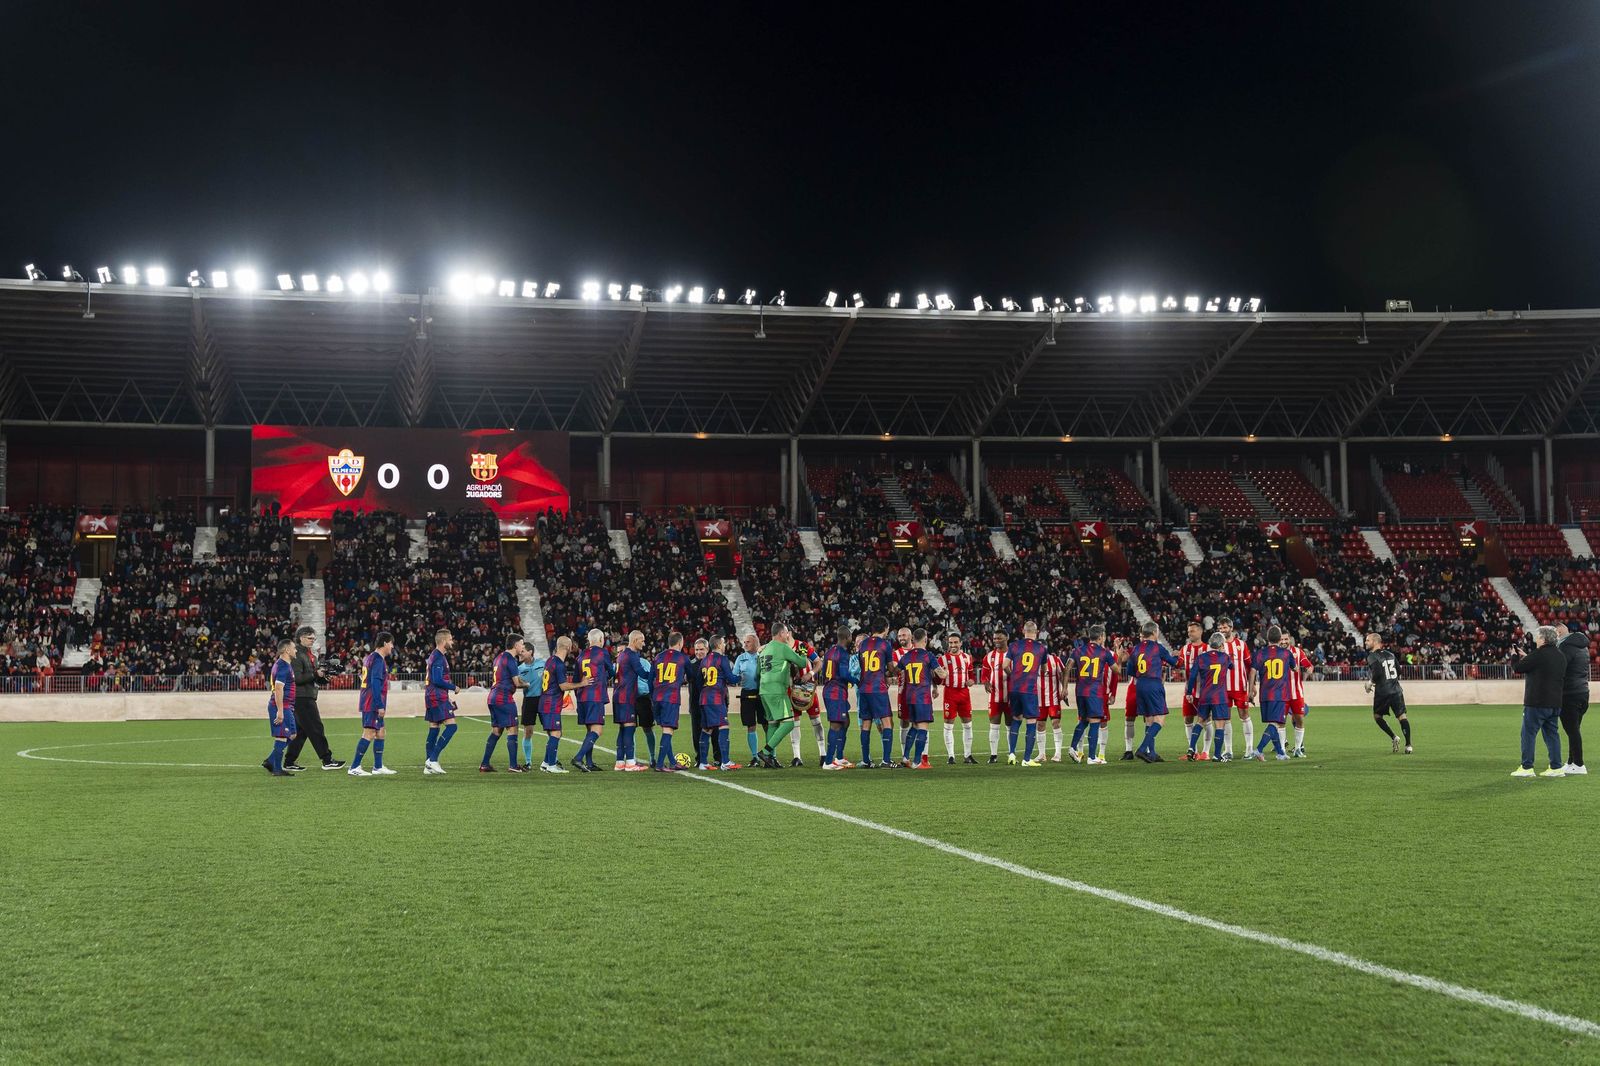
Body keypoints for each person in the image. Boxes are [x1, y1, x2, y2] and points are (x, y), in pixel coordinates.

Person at [1510, 626, 1567, 778]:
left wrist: (1514, 656)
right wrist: (1527, 656)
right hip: (1555, 702)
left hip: (1536, 702)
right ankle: (1556, 767)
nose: (1536, 639)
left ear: (1543, 638)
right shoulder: (1560, 656)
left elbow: (1518, 668)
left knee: (1528, 734)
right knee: (1552, 735)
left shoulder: (1538, 654)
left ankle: (1527, 767)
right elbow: (1543, 667)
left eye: (1538, 636)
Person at [283, 625, 341, 771]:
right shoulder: (296, 655)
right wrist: (316, 675)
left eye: (314, 639)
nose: (312, 641)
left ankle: (289, 762)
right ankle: (327, 760)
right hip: (302, 698)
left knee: (301, 733)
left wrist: (325, 678)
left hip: (306, 696)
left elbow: (314, 678)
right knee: (316, 728)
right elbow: (296, 678)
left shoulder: (310, 655)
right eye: (310, 638)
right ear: (301, 637)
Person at [755, 623, 813, 769]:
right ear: (781, 633)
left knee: (773, 723)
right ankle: (765, 751)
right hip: (777, 690)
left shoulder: (764, 649)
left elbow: (757, 673)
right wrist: (803, 652)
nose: (788, 636)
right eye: (787, 633)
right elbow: (801, 662)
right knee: (789, 723)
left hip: (764, 690)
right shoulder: (783, 648)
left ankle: (770, 759)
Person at [1123, 621, 1178, 763]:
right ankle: (1142, 749)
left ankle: (1152, 753)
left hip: (1140, 685)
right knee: (1160, 720)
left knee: (1149, 719)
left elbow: (1129, 671)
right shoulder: (1157, 648)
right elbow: (1174, 663)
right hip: (1153, 683)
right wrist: (1178, 655)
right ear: (1154, 632)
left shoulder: (1135, 649)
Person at [535, 636, 590, 774]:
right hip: (551, 703)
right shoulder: (559, 664)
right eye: (571, 645)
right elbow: (563, 686)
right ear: (567, 647)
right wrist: (581, 684)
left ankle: (546, 762)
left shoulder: (550, 660)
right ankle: (552, 765)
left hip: (544, 702)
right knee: (556, 733)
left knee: (555, 733)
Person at [896, 627, 946, 770]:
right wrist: (946, 672)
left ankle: (905, 757)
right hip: (922, 697)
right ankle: (917, 762)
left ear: (913, 640)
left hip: (909, 697)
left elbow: (896, 671)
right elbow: (941, 675)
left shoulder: (906, 657)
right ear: (925, 639)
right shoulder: (928, 656)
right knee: (923, 728)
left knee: (914, 726)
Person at [348, 631, 396, 776]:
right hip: (372, 702)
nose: (392, 647)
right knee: (369, 733)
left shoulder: (372, 658)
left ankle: (378, 766)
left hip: (371, 700)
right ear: (385, 643)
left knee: (381, 732)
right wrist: (379, 704)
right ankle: (354, 767)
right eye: (391, 643)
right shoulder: (377, 660)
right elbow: (375, 683)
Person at [1068, 625, 1117, 765]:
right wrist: (1119, 659)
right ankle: (1092, 757)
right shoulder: (1104, 652)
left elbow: (1067, 668)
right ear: (1101, 637)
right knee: (1095, 722)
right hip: (1094, 691)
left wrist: (1064, 688)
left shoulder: (1078, 650)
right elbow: (1117, 670)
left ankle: (1072, 747)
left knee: (1083, 720)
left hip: (1080, 691)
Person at [1003, 621, 1048, 766]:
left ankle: (1011, 754)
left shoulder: (1014, 646)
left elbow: (1004, 665)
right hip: (1029, 689)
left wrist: (1013, 676)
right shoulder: (1041, 648)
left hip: (1015, 688)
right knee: (1031, 722)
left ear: (1023, 631)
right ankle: (1027, 759)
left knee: (1016, 719)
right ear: (1037, 632)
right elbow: (1044, 669)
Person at [1247, 626, 1294, 761]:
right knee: (1275, 724)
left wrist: (1250, 691)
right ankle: (1259, 749)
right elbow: (1295, 668)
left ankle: (1280, 753)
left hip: (1265, 694)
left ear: (1267, 638)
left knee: (1275, 723)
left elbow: (1252, 672)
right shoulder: (1286, 653)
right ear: (1280, 638)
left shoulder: (1260, 653)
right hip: (1279, 694)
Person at [650, 632, 694, 771]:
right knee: (668, 730)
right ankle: (660, 764)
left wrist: (653, 696)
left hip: (657, 697)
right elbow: (692, 676)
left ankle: (673, 762)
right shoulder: (683, 658)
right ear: (680, 643)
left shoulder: (658, 657)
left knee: (664, 729)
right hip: (671, 697)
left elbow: (651, 678)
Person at [482, 636, 526, 773]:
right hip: (504, 698)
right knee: (513, 729)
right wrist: (527, 684)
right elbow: (517, 683)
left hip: (493, 697)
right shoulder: (510, 659)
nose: (523, 647)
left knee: (496, 731)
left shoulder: (499, 657)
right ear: (515, 645)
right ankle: (513, 765)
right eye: (522, 644)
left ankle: (484, 764)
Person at [856, 619, 896, 768]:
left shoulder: (863, 644)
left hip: (864, 688)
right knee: (887, 722)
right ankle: (886, 760)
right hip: (878, 688)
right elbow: (891, 668)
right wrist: (896, 671)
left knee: (866, 724)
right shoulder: (885, 644)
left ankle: (866, 760)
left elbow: (862, 666)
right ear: (885, 629)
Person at [1185, 633, 1232, 762]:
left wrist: (1189, 693)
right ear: (1221, 644)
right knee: (1220, 725)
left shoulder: (1200, 658)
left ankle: (1191, 748)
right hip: (1219, 696)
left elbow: (1193, 677)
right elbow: (1232, 667)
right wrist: (1223, 651)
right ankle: (1217, 755)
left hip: (1205, 695)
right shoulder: (1225, 658)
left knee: (1200, 721)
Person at [696, 635, 740, 771]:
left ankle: (703, 762)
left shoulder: (704, 661)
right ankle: (725, 761)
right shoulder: (722, 659)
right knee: (723, 726)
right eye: (723, 643)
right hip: (716, 698)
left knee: (706, 729)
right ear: (719, 645)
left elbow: (698, 682)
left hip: (703, 698)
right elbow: (731, 679)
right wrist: (742, 675)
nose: (725, 644)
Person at [571, 629, 612, 773]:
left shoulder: (581, 655)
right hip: (595, 695)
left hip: (582, 696)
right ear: (600, 639)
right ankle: (578, 757)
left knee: (589, 730)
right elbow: (612, 671)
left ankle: (589, 763)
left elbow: (576, 680)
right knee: (597, 730)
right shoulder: (602, 653)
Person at [1363, 632, 1411, 754]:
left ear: (1375, 642)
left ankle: (1394, 737)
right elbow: (1399, 671)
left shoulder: (1372, 656)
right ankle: (1408, 745)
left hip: (1382, 692)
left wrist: (1370, 682)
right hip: (1396, 690)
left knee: (1377, 716)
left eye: (1368, 640)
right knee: (1402, 717)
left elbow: (1378, 672)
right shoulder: (1391, 654)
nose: (1366, 642)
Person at [818, 626, 858, 769]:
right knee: (835, 725)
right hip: (836, 692)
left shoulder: (829, 652)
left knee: (845, 722)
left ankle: (839, 757)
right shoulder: (843, 653)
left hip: (831, 689)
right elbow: (843, 674)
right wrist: (857, 680)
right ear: (848, 637)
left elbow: (823, 671)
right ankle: (828, 762)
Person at [612, 630, 651, 771]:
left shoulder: (622, 655)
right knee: (629, 728)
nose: (644, 643)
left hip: (618, 695)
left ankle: (619, 762)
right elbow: (642, 673)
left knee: (622, 729)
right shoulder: (632, 655)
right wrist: (658, 674)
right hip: (626, 696)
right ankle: (630, 762)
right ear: (635, 640)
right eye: (642, 640)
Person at [423, 628, 459, 775]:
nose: (452, 641)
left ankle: (428, 766)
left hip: (432, 695)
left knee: (434, 727)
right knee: (452, 727)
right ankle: (432, 759)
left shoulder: (435, 656)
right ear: (444, 641)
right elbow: (437, 679)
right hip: (436, 696)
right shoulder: (438, 657)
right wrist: (453, 687)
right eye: (450, 639)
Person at [1216, 618, 1253, 759]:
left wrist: (1252, 686)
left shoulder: (1241, 645)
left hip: (1240, 687)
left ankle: (1249, 749)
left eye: (1224, 628)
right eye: (1220, 628)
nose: (1222, 630)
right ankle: (1228, 750)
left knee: (1244, 716)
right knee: (1225, 719)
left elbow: (1249, 666)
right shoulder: (1216, 645)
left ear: (1231, 628)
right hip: (1222, 688)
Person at [1555, 622, 1589, 775]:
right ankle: (1571, 762)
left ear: (1559, 632)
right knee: (1574, 729)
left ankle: (1579, 764)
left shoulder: (1565, 647)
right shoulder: (1583, 646)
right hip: (1582, 691)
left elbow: (1558, 668)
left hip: (1569, 694)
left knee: (1572, 730)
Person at [262, 638, 297, 777]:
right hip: (282, 706)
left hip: (287, 706)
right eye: (294, 648)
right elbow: (278, 688)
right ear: (287, 650)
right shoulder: (282, 666)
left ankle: (271, 761)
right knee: (282, 737)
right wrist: (280, 711)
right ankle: (277, 769)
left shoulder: (285, 665)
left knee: (292, 734)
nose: (296, 650)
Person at [938, 632, 975, 764]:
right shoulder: (942, 659)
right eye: (951, 642)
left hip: (964, 694)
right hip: (950, 694)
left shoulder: (967, 657)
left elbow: (971, 675)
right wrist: (940, 678)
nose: (953, 645)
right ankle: (951, 756)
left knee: (968, 725)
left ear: (960, 643)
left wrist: (971, 681)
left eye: (955, 642)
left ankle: (968, 755)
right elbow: (936, 678)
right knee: (948, 726)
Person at [1176, 622, 1209, 761]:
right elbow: (1178, 664)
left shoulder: (1207, 648)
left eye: (1193, 631)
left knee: (1206, 720)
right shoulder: (1185, 648)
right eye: (1189, 631)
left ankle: (1205, 752)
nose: (1190, 634)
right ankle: (1193, 751)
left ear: (1200, 632)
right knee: (1188, 719)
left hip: (1205, 691)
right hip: (1189, 690)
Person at [980, 630, 1010, 764]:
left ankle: (1012, 753)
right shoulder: (989, 656)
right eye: (995, 638)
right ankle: (993, 755)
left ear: (1007, 638)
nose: (997, 641)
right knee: (994, 725)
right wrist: (986, 682)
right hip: (994, 696)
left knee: (1010, 726)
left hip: (1011, 697)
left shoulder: (1013, 655)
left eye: (1000, 638)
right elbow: (985, 673)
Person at [733, 633, 762, 764]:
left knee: (768, 724)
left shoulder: (762, 657)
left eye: (748, 642)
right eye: (744, 642)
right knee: (751, 726)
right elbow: (734, 675)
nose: (745, 645)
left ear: (756, 643)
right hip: (746, 693)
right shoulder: (740, 658)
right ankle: (755, 757)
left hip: (763, 693)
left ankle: (771, 755)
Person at [516, 642, 546, 769]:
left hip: (543, 699)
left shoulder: (543, 664)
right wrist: (523, 684)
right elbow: (516, 683)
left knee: (551, 730)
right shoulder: (519, 669)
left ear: (530, 652)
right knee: (528, 732)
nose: (520, 653)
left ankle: (552, 760)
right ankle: (528, 762)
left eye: (523, 651)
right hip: (529, 701)